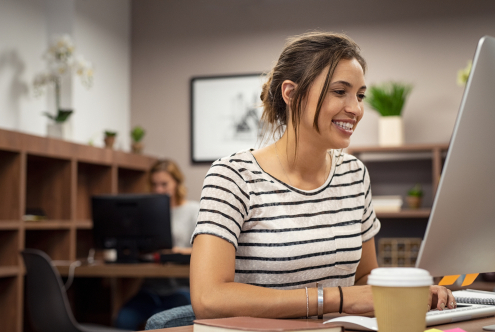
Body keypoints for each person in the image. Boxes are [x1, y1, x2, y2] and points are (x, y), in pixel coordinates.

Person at [189, 32, 456, 319]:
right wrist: (337, 299)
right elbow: (209, 298)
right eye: (340, 92)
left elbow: (364, 278)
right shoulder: (233, 177)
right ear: (290, 93)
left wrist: (408, 289)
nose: (356, 109)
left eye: (360, 95)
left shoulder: (353, 173)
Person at [114, 159, 199, 330]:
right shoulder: (144, 213)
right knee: (122, 320)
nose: (158, 189)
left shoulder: (193, 210)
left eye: (164, 184)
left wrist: (174, 252)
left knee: (161, 324)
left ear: (177, 183)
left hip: (181, 288)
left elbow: (201, 251)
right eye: (154, 184)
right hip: (150, 288)